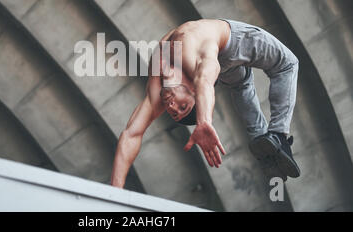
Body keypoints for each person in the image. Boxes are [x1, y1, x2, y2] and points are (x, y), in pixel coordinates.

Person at [110, 18, 301, 188]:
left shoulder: (159, 87)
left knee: (242, 84)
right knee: (287, 64)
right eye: (181, 108)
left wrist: (203, 122)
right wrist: (115, 192)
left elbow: (132, 133)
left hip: (222, 50)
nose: (171, 107)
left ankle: (265, 139)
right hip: (230, 46)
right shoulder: (198, 69)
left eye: (175, 112)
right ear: (193, 90)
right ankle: (277, 135)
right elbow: (131, 135)